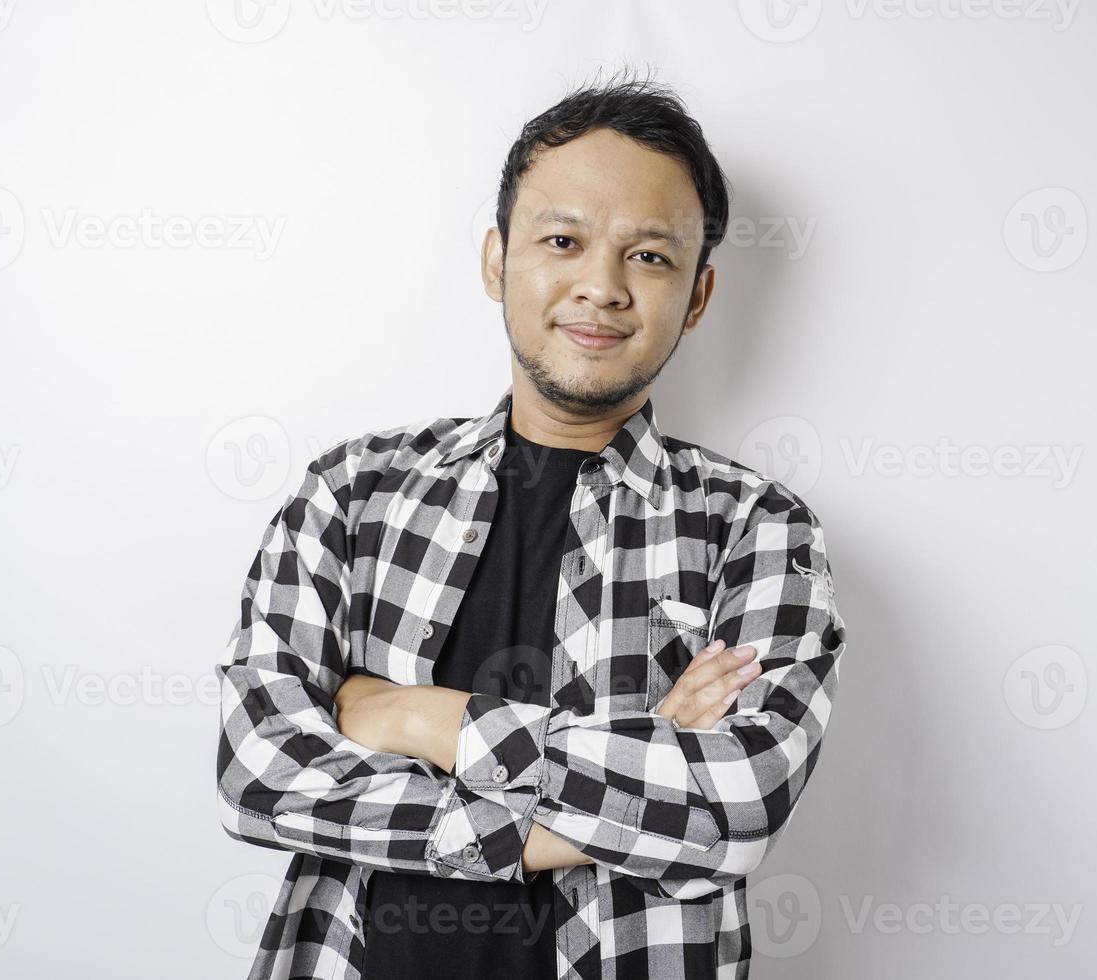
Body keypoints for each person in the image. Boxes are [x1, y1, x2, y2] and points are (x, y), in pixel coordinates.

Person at [215, 67, 846, 980]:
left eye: (651, 255)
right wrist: (629, 778)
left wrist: (408, 715)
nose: (602, 286)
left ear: (698, 297)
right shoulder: (351, 495)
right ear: (496, 260)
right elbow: (259, 775)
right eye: (563, 239)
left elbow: (733, 805)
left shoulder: (758, 531)